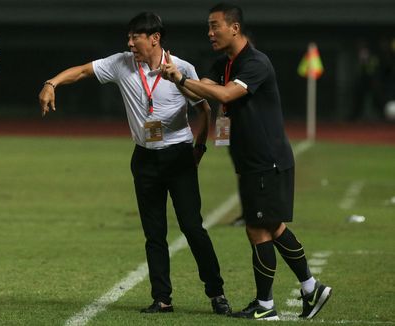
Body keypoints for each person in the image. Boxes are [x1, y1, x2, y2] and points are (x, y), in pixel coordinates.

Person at [38, 12, 231, 315]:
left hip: (179, 156)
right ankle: (162, 298)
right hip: (144, 159)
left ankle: (216, 292)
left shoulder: (181, 68)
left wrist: (200, 147)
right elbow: (83, 72)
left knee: (192, 227)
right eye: (128, 37)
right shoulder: (122, 63)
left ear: (154, 38)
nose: (129, 43)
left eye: (135, 37)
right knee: (154, 233)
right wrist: (52, 83)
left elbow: (204, 110)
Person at [161, 3, 332, 320]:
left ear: (235, 28)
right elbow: (211, 90)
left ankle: (271, 303)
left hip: (266, 160)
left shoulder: (256, 62)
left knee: (259, 228)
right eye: (208, 27)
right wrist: (186, 81)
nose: (210, 33)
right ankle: (309, 288)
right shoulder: (225, 63)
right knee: (271, 226)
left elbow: (224, 96)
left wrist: (182, 79)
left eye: (215, 26)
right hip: (252, 160)